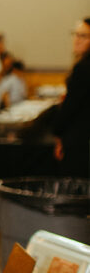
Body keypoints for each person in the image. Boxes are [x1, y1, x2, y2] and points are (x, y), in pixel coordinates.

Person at [52, 18, 90, 178]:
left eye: (83, 36)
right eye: (75, 34)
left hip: (80, 141)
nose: (77, 39)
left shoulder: (83, 68)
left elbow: (71, 108)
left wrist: (57, 133)